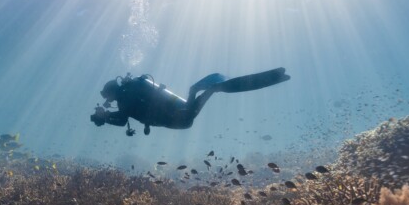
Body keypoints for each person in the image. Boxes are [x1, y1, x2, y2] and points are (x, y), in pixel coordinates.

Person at [90, 67, 290, 136]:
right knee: (202, 91)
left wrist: (104, 117)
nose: (107, 100)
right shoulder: (131, 91)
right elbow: (124, 117)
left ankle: (214, 87)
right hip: (182, 111)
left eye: (107, 96)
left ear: (113, 91)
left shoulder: (125, 98)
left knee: (207, 92)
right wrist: (106, 116)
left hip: (179, 120)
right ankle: (216, 85)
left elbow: (121, 119)